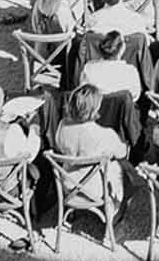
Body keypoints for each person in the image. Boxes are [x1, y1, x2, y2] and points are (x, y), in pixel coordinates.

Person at [53, 83, 130, 211]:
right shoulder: (105, 134)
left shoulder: (62, 125)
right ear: (95, 108)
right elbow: (122, 153)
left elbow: (58, 146)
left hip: (67, 184)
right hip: (95, 189)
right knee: (117, 166)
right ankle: (113, 211)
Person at [80, 29, 143, 102]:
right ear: (122, 49)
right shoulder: (131, 71)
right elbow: (135, 96)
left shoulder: (88, 68)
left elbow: (83, 93)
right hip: (122, 112)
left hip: (94, 110)